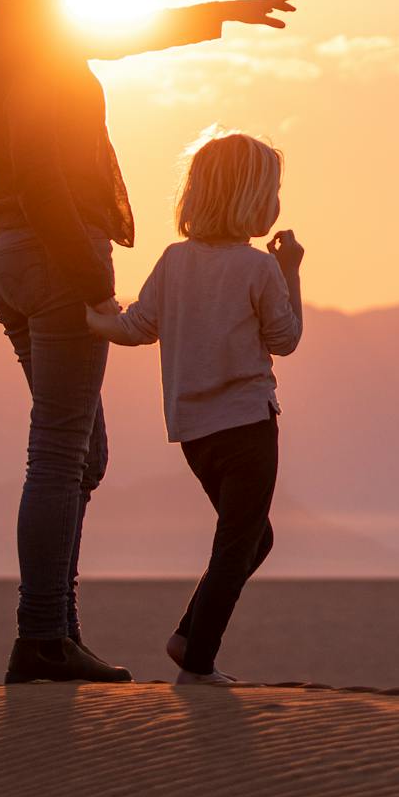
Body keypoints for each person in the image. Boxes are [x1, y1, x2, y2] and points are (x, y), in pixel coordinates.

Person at [0, 0, 296, 685]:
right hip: (50, 250)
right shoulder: (34, 16)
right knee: (60, 452)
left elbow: (114, 36)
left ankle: (55, 631)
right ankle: (43, 637)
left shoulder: (20, 13)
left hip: (11, 253)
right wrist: (81, 259)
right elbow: (35, 153)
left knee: (82, 455)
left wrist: (221, 12)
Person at [86, 129, 304, 685]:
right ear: (253, 200)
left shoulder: (175, 261)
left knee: (254, 538)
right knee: (238, 545)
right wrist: (291, 272)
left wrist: (91, 316)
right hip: (249, 427)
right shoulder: (258, 269)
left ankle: (189, 635)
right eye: (272, 192)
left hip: (193, 433)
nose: (277, 204)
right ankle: (198, 661)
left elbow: (137, 327)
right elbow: (285, 339)